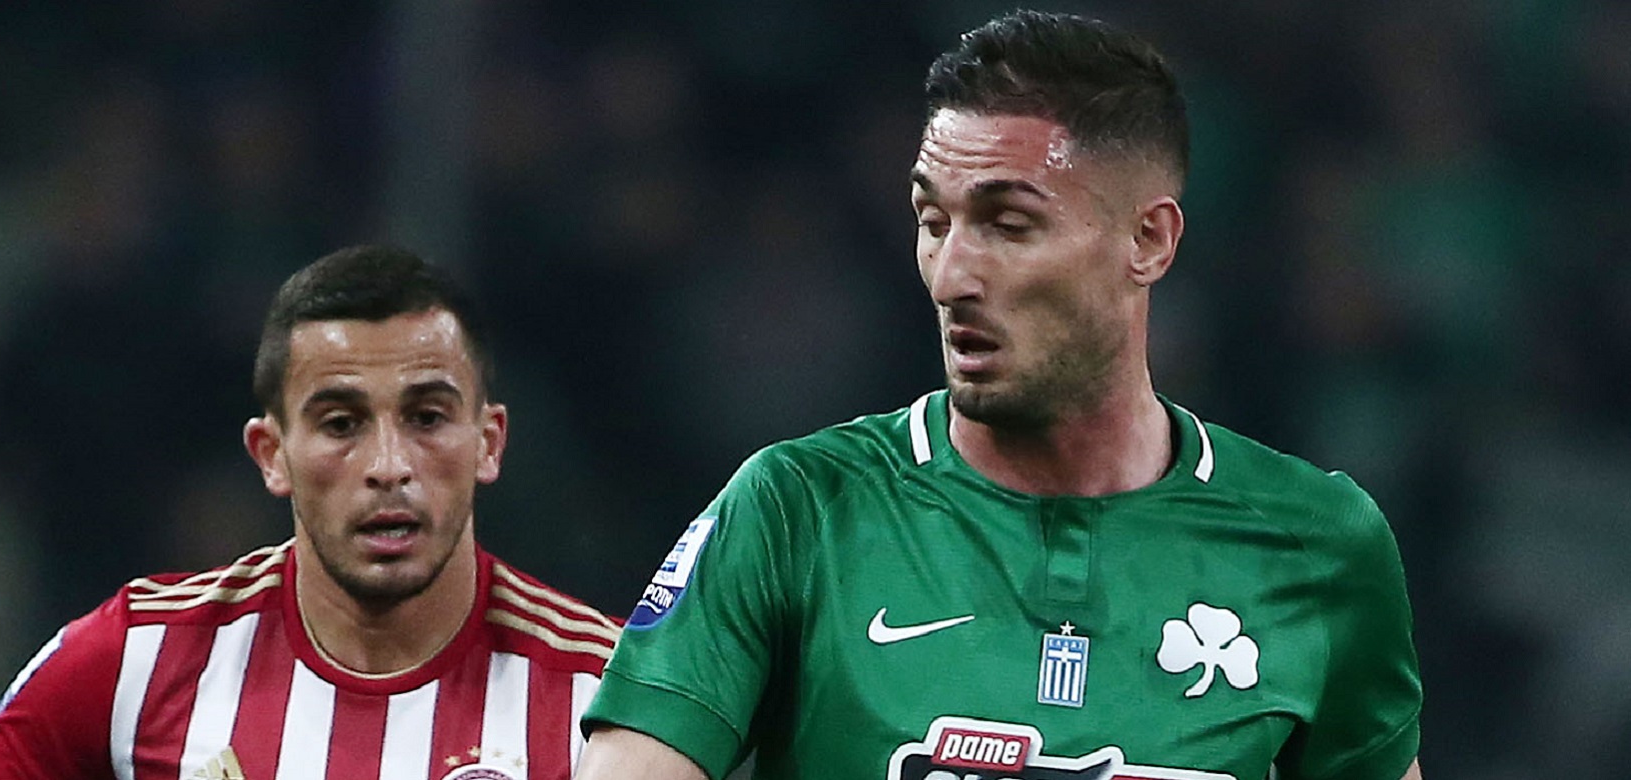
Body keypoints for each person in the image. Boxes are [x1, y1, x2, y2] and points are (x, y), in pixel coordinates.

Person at [575, 10, 1421, 780]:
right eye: (933, 222)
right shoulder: (801, 511)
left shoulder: (1318, 546)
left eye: (1009, 225)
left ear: (1148, 240)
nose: (951, 277)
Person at [0, 245, 621, 780]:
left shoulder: (607, 695)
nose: (389, 465)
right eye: (341, 423)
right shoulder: (135, 662)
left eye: (427, 417)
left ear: (488, 443)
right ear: (272, 455)